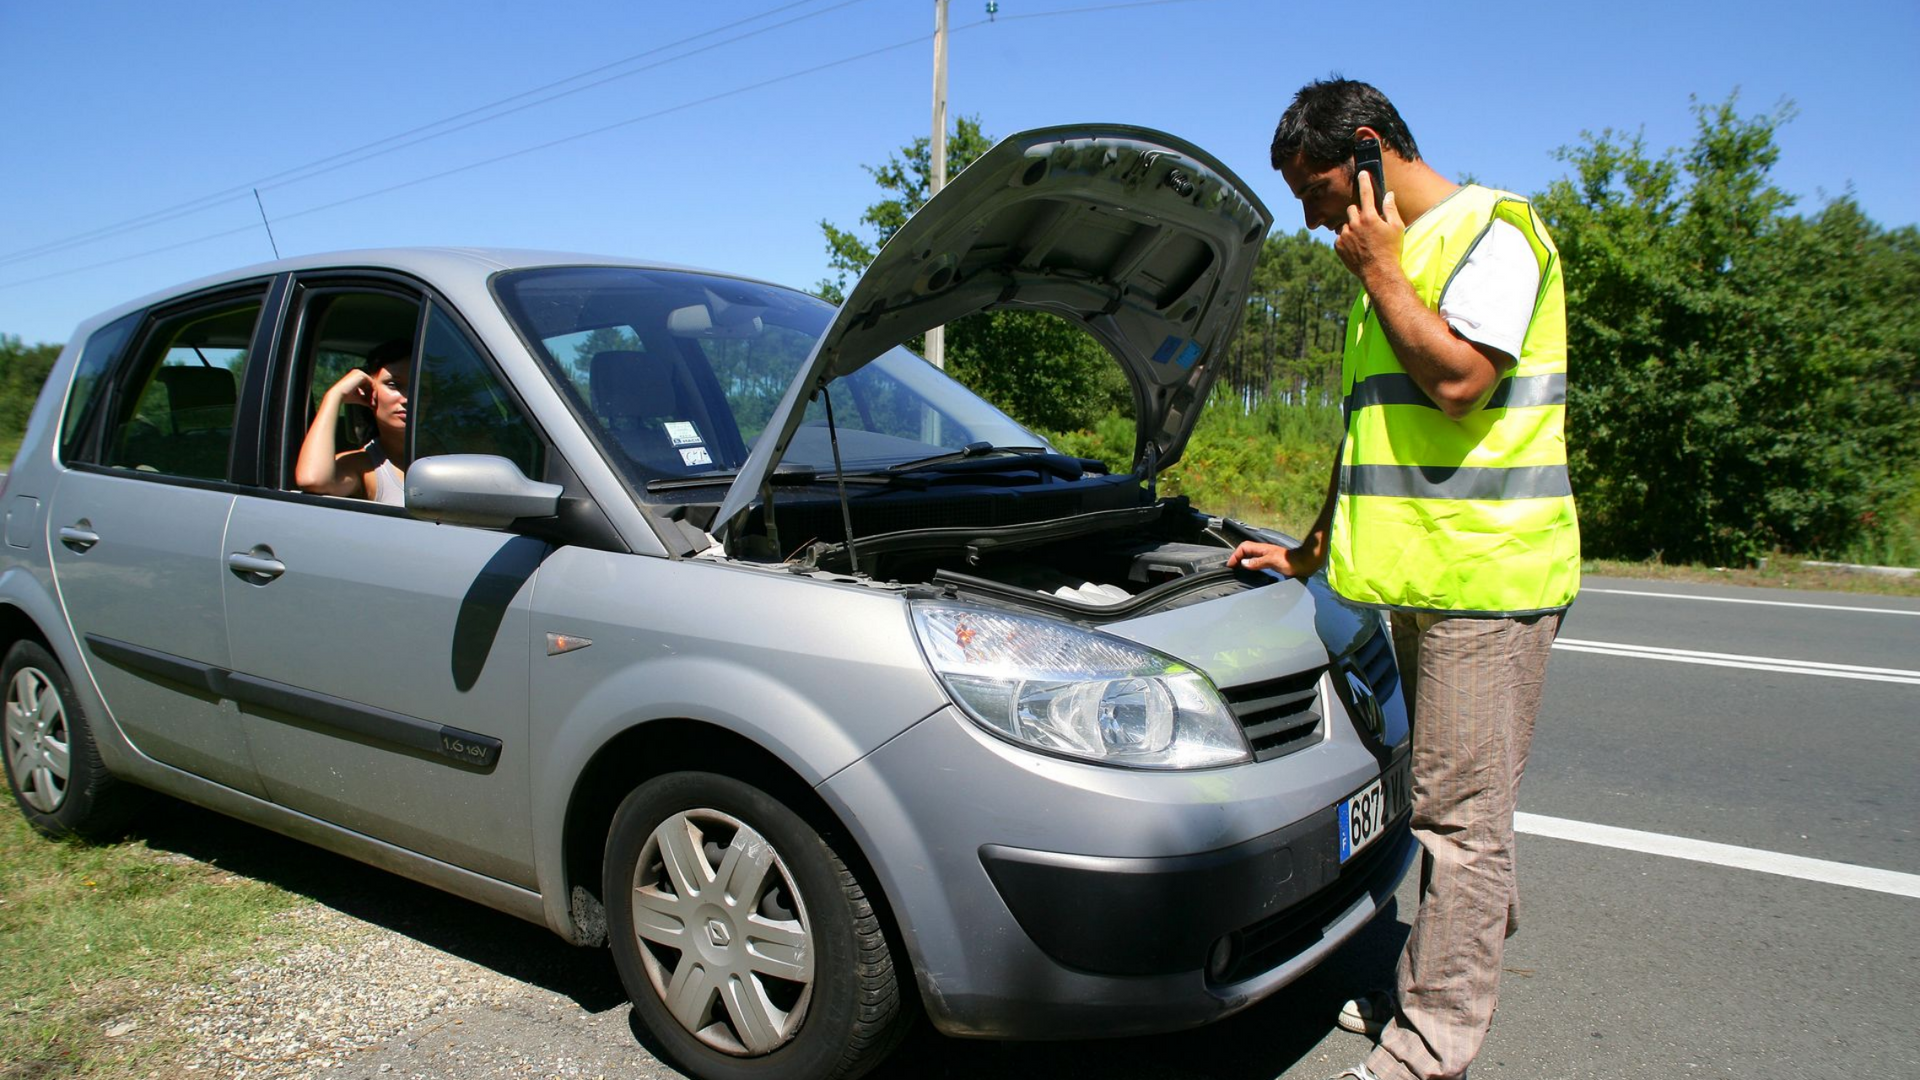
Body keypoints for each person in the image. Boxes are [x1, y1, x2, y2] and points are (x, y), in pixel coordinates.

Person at [1229, 78, 1579, 1080]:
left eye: (1320, 188)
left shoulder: (1491, 237)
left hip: (1487, 579)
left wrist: (1380, 269)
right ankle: (1444, 972)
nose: (1313, 217)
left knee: (1462, 827)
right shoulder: (1398, 261)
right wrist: (1304, 552)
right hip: (1425, 583)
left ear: (1371, 148)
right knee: (1455, 807)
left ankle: (1431, 1050)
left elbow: (1462, 382)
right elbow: (1371, 434)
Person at [295, 339, 412, 505]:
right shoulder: (365, 466)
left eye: (420, 387)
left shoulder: (452, 452)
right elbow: (313, 479)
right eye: (393, 385)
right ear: (370, 390)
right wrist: (335, 395)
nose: (408, 398)